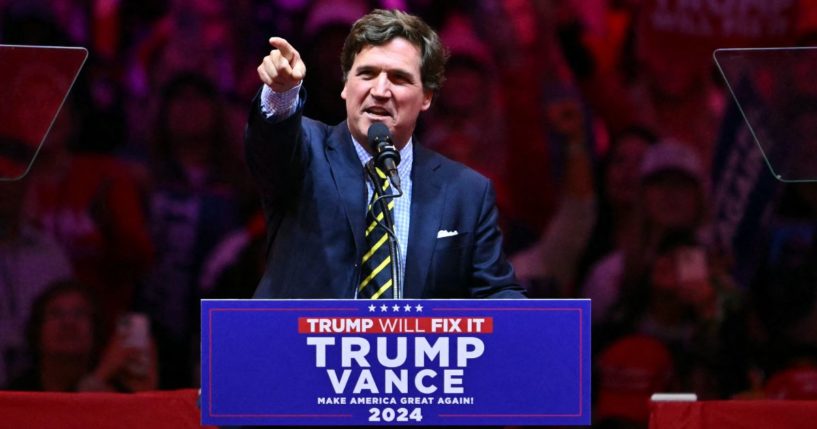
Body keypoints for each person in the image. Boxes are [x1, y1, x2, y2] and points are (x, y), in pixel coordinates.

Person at [247, 9, 524, 299]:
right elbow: (270, 146)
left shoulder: (466, 192)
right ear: (346, 85)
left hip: (415, 345)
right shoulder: (306, 151)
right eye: (366, 74)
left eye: (398, 78)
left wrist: (548, 332)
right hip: (299, 343)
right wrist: (280, 94)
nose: (380, 90)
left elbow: (496, 292)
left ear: (426, 97)